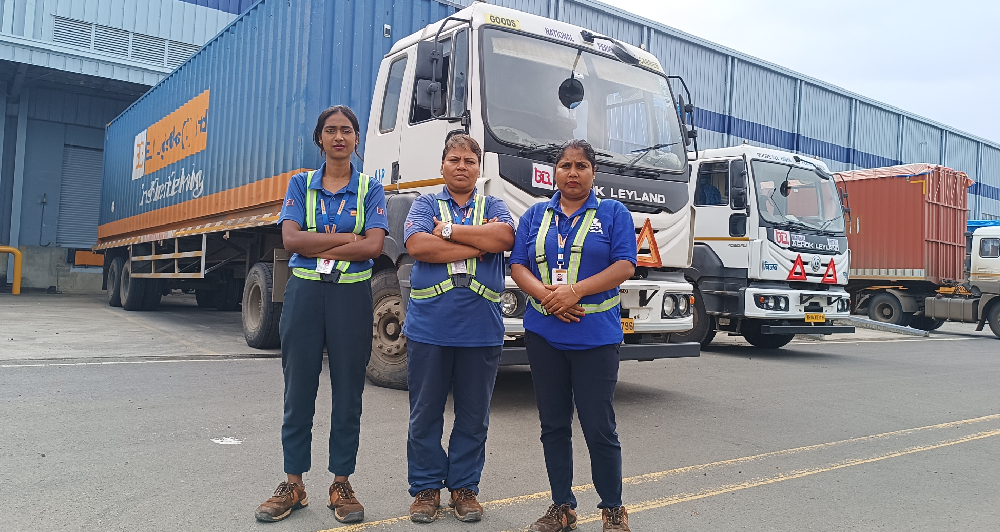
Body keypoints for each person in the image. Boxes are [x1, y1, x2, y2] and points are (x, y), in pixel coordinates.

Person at [255, 105, 388, 524]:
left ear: (356, 139)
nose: (338, 137)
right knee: (298, 392)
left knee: (349, 392)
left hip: (351, 297)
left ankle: (341, 484)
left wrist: (323, 244)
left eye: (346, 131)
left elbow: (373, 247)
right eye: (330, 130)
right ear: (319, 138)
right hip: (305, 294)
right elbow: (291, 240)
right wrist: (348, 237)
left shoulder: (370, 188)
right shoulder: (300, 184)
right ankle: (293, 484)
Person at [510, 139, 637, 532]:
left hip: (596, 339)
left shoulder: (613, 213)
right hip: (544, 335)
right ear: (555, 172)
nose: (573, 172)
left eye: (581, 165)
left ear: (593, 173)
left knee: (599, 426)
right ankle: (561, 507)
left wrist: (575, 292)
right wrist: (549, 297)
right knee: (553, 425)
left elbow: (625, 265)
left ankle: (613, 508)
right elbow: (518, 265)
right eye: (565, 165)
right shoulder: (535, 215)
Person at [402, 133, 515, 523]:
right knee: (425, 413)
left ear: (478, 167)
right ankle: (426, 489)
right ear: (442, 165)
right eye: (454, 159)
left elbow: (504, 237)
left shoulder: (494, 204)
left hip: (480, 329)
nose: (462, 166)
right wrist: (478, 244)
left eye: (469, 160)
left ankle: (464, 488)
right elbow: (418, 246)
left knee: (473, 416)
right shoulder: (425, 203)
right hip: (429, 328)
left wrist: (448, 232)